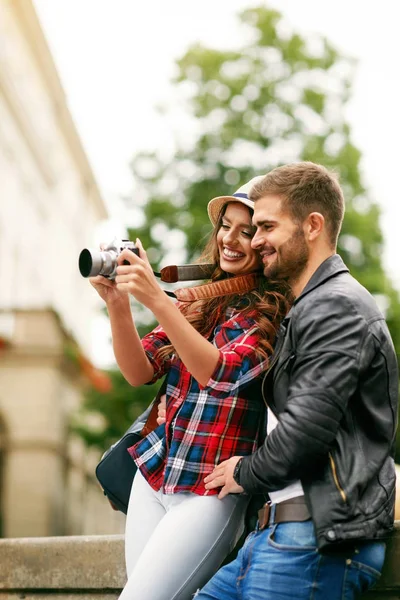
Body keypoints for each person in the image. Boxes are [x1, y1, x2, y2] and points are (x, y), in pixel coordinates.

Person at [198, 161, 399, 600]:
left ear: (312, 225)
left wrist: (245, 472)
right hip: (272, 535)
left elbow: (307, 430)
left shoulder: (336, 306)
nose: (256, 240)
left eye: (267, 226)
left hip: (311, 542)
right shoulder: (308, 308)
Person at [89, 177, 291, 600]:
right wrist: (118, 304)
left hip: (210, 491)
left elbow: (219, 372)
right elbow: (138, 371)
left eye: (247, 230)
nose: (229, 239)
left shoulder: (273, 312)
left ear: (268, 240)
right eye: (225, 225)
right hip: (155, 474)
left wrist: (158, 300)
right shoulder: (199, 302)